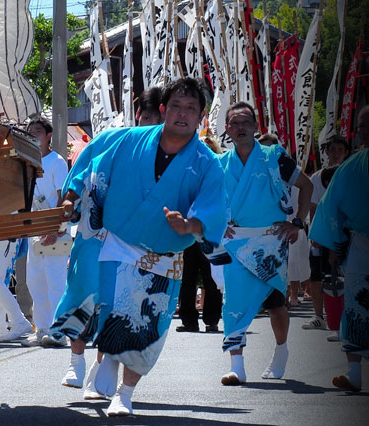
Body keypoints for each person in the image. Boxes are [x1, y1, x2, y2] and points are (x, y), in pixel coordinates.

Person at [58, 77, 227, 416]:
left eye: (191, 108)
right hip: (118, 243)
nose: (183, 114)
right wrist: (71, 197)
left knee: (145, 324)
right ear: (163, 110)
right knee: (109, 308)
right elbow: (91, 162)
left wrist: (190, 225)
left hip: (164, 254)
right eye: (176, 106)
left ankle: (125, 392)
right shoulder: (127, 140)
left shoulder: (207, 162)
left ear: (201, 115)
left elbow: (214, 209)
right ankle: (103, 357)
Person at [51, 87, 163, 397]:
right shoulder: (111, 139)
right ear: (138, 115)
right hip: (93, 235)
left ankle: (98, 372)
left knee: (113, 307)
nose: (151, 122)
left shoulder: (169, 158)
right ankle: (75, 360)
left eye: (158, 117)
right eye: (147, 116)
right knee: (80, 292)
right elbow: (80, 173)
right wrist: (69, 201)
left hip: (132, 245)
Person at [310, 104, 369, 394]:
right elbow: (331, 208)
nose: (364, 130)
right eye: (361, 125)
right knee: (354, 309)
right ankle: (354, 371)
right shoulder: (351, 167)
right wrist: (333, 242)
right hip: (363, 246)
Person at [217, 102, 313, 385]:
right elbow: (208, 199)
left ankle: (281, 351)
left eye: (246, 121)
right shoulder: (220, 163)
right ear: (227, 130)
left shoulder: (275, 156)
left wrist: (297, 222)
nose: (241, 127)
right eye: (235, 123)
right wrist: (217, 225)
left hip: (272, 241)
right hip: (236, 241)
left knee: (275, 304)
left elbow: (305, 185)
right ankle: (237, 365)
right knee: (232, 301)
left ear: (256, 127)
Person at [19, 117, 70, 347]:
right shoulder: (26, 162)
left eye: (38, 131)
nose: (34, 135)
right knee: (35, 282)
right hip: (34, 231)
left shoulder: (57, 162)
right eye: (30, 132)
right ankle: (41, 329)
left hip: (54, 230)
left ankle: (60, 330)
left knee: (56, 282)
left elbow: (63, 197)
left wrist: (55, 228)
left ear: (48, 135)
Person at [301, 135, 349, 332]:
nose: (336, 153)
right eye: (333, 149)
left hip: (344, 235)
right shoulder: (317, 178)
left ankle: (341, 318)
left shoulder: (350, 175)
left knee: (342, 276)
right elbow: (312, 208)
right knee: (316, 276)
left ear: (346, 153)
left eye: (340, 149)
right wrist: (315, 234)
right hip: (321, 235)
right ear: (326, 152)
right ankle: (318, 316)